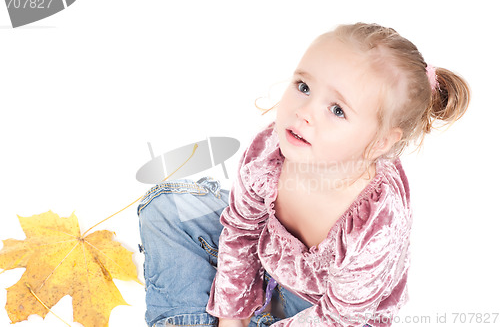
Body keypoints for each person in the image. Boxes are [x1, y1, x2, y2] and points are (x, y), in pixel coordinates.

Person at [137, 22, 470, 327]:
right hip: (265, 265)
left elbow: (340, 316)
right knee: (167, 207)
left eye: (337, 110)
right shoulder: (271, 148)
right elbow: (240, 232)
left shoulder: (378, 220)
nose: (304, 112)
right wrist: (231, 317)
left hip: (324, 312)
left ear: (379, 142)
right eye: (304, 86)